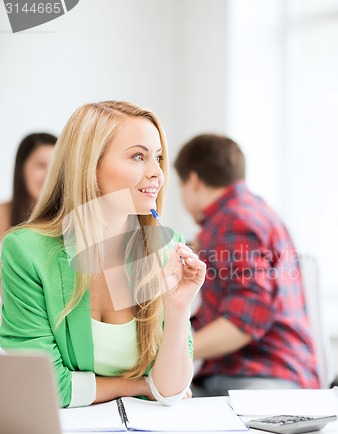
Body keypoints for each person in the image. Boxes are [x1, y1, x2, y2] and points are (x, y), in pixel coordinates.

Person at [0, 101, 206, 408]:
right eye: (138, 156)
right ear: (88, 164)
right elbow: (44, 386)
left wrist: (177, 311)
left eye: (158, 158)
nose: (157, 174)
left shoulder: (165, 246)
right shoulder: (26, 251)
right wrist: (137, 385)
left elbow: (172, 391)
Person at [174, 133, 320, 396]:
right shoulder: (255, 211)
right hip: (274, 371)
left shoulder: (232, 221)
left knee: (154, 400)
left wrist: (168, 352)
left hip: (260, 374)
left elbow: (243, 322)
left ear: (193, 181)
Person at [0, 132, 57, 240]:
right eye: (41, 165)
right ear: (21, 169)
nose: (49, 175)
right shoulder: (2, 214)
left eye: (55, 167)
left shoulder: (70, 219)